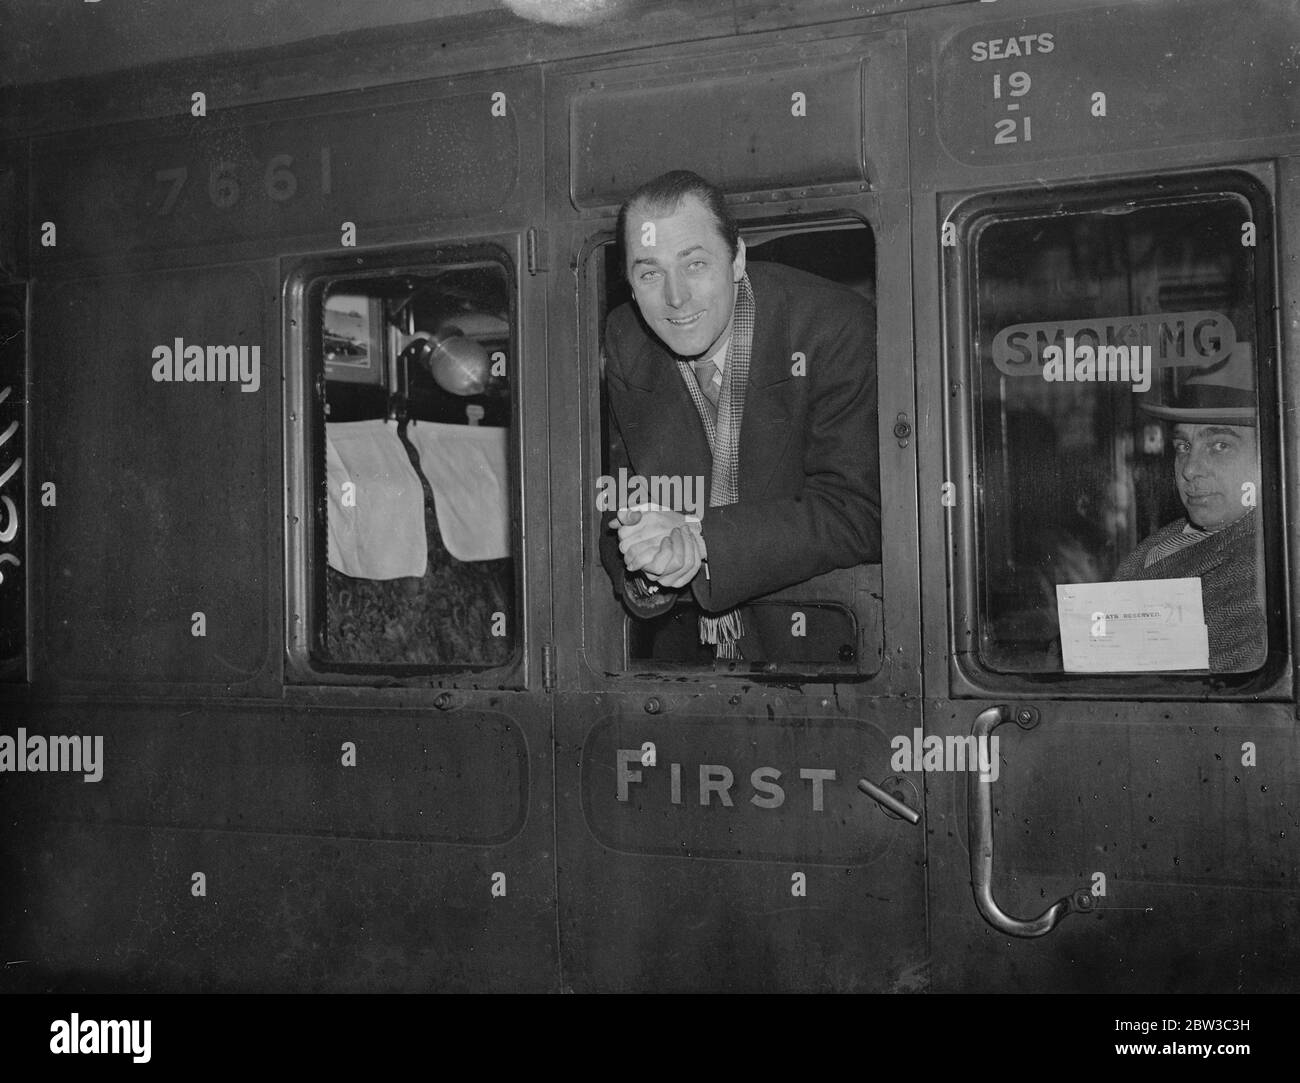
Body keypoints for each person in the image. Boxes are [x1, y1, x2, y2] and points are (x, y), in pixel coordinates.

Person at [600, 169, 881, 660]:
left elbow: (857, 511)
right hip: (685, 664)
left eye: (694, 264)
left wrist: (702, 541)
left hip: (828, 658)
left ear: (737, 260)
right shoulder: (624, 341)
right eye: (649, 273)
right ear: (628, 282)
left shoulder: (833, 326)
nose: (675, 298)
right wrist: (648, 568)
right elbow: (613, 506)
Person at [1113, 345, 1265, 671]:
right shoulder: (1168, 539)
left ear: (1269, 455)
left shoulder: (1264, 566)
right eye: (1184, 446)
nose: (1190, 469)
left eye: (1220, 445)